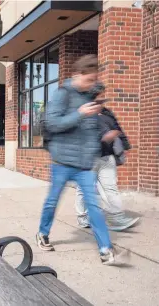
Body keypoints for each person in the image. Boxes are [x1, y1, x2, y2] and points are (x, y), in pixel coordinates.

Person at [36, 54, 127, 265]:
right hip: (62, 160)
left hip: (85, 163)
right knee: (53, 200)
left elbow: (90, 129)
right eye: (88, 80)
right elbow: (52, 124)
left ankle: (106, 250)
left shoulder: (90, 96)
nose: (91, 84)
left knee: (93, 205)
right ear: (77, 75)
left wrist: (101, 139)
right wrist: (80, 113)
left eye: (94, 80)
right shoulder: (63, 94)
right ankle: (43, 232)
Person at [75, 107, 140, 231]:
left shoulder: (106, 113)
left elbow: (117, 129)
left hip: (107, 156)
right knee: (83, 189)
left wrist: (125, 146)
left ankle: (117, 218)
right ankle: (82, 216)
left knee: (111, 188)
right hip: (88, 158)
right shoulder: (81, 112)